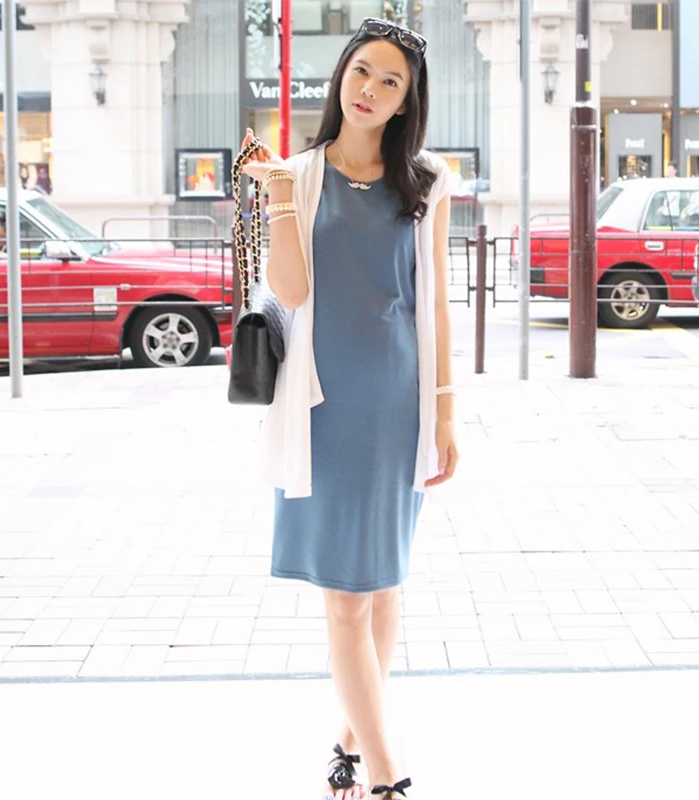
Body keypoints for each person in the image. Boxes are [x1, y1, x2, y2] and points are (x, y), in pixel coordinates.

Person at [237, 17, 458, 800]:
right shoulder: (295, 173)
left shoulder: (425, 183)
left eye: (389, 81)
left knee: (383, 582)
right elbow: (290, 294)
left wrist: (446, 412)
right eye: (360, 71)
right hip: (324, 406)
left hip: (396, 403)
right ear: (341, 77)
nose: (368, 89)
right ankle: (387, 775)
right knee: (346, 599)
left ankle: (349, 744)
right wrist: (286, 201)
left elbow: (433, 304)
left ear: (406, 102)